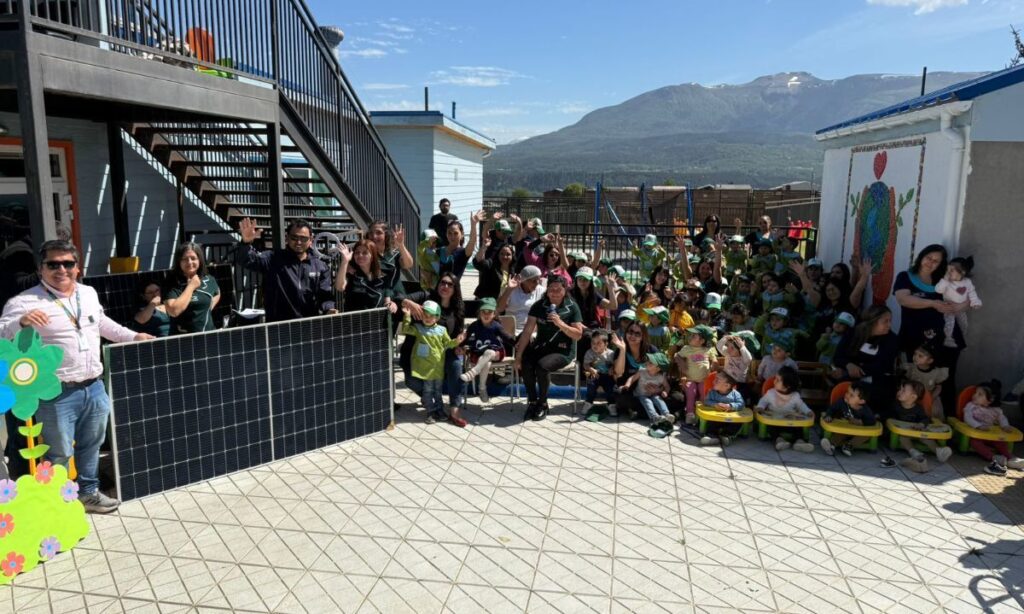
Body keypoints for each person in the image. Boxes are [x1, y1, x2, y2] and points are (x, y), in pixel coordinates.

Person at [0, 240, 154, 513]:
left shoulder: (88, 294)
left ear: (77, 267)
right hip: (56, 393)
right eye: (53, 264)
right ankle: (59, 504)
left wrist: (133, 336)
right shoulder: (24, 301)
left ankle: (88, 492)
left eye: (67, 263)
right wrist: (20, 322)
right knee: (58, 453)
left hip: (94, 386)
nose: (61, 269)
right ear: (40, 269)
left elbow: (103, 324)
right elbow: (3, 335)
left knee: (92, 444)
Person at [893, 244, 968, 412]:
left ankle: (947, 423)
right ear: (921, 256)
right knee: (912, 380)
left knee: (945, 382)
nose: (931, 263)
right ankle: (906, 417)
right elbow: (903, 299)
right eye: (929, 258)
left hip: (945, 341)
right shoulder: (905, 277)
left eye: (936, 261)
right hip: (914, 339)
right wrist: (933, 303)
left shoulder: (943, 281)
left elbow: (964, 299)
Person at [235, 218, 335, 322]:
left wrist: (329, 309)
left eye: (304, 238)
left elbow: (325, 294)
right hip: (278, 327)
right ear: (287, 238)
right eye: (294, 237)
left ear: (311, 240)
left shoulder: (320, 266)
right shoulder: (273, 259)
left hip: (309, 325)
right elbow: (246, 260)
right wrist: (245, 243)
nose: (299, 242)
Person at [515, 275, 583, 421]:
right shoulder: (539, 305)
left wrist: (560, 323)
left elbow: (578, 335)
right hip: (542, 346)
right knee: (526, 362)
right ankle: (532, 402)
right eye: (551, 289)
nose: (555, 292)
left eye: (559, 289)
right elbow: (527, 331)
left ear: (565, 290)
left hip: (562, 350)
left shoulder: (572, 306)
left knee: (542, 367)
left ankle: (543, 403)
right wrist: (519, 355)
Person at [399, 273, 467, 420]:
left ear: (455, 289)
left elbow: (456, 335)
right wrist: (409, 304)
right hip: (414, 351)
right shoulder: (425, 296)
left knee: (455, 364)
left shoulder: (457, 308)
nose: (445, 286)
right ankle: (431, 401)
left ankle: (454, 407)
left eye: (450, 284)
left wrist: (459, 345)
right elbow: (398, 297)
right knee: (411, 381)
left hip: (440, 352)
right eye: (443, 282)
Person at [832, 305, 900, 415]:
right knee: (842, 388)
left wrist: (859, 370)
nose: (889, 325)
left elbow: (883, 365)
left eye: (890, 321)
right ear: (872, 322)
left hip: (878, 380)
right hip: (850, 377)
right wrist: (848, 365)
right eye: (885, 321)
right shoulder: (853, 333)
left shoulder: (891, 340)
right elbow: (838, 357)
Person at [888, 379, 952, 473]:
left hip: (917, 432)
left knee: (926, 437)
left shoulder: (918, 408)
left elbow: (925, 419)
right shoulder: (896, 405)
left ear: (913, 397)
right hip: (904, 433)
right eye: (900, 389)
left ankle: (939, 451)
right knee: (902, 438)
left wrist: (921, 424)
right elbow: (889, 416)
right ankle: (914, 452)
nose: (899, 392)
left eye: (903, 390)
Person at [459, 297, 514, 404]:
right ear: (479, 313)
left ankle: (472, 373)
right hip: (479, 353)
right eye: (484, 311)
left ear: (494, 314)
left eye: (490, 312)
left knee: (489, 352)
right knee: (486, 363)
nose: (486, 314)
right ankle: (482, 389)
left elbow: (507, 337)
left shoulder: (496, 326)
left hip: (496, 352)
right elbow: (466, 339)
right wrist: (460, 347)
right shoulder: (474, 326)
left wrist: (517, 344)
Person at [962, 385, 1024, 475]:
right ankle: (993, 457)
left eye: (980, 394)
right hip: (978, 434)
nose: (975, 395)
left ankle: (1010, 458)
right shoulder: (971, 406)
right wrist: (978, 426)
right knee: (974, 443)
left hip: (991, 434)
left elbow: (1002, 418)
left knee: (1001, 442)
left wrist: (1005, 426)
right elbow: (967, 417)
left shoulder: (996, 410)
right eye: (975, 393)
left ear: (990, 400)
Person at [164, 243, 220, 334]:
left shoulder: (208, 279)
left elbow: (217, 293)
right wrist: (191, 286)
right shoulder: (171, 282)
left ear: (199, 260)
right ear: (179, 262)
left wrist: (207, 308)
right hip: (183, 340)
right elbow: (173, 311)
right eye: (185, 259)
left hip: (209, 336)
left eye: (193, 258)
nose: (190, 262)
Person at [335, 239, 402, 315]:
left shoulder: (383, 276)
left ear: (372, 256)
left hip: (375, 322)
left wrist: (391, 304)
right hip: (353, 322)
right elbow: (339, 287)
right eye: (357, 252)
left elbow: (387, 299)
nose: (360, 255)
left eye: (365, 253)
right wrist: (345, 261)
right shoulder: (351, 273)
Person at [755, 367, 814, 453]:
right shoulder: (771, 393)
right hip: (774, 419)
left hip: (789, 420)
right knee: (771, 427)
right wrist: (760, 407)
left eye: (778, 380)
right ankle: (779, 441)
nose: (774, 381)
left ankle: (799, 442)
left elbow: (801, 405)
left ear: (787, 386)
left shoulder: (795, 396)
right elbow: (763, 401)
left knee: (798, 428)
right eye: (775, 378)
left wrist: (808, 411)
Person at [672, 324, 717, 425]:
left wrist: (714, 363)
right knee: (691, 393)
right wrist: (681, 363)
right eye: (691, 335)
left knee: (704, 395)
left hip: (704, 379)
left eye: (694, 336)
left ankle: (701, 414)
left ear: (702, 341)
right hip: (690, 378)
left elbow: (714, 359)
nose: (690, 337)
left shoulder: (708, 349)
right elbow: (677, 356)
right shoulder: (686, 348)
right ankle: (690, 414)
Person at [820, 381, 877, 457]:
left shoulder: (865, 410)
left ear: (861, 401)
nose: (847, 395)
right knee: (840, 432)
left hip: (858, 431)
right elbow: (832, 408)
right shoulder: (842, 402)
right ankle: (831, 445)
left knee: (866, 435)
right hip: (845, 428)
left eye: (852, 395)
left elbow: (872, 421)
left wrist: (861, 422)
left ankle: (849, 446)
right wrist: (829, 415)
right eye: (847, 392)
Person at [935, 256, 981, 348]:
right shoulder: (946, 282)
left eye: (952, 270)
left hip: (961, 308)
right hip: (948, 307)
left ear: (962, 272)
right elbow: (938, 290)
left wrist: (976, 302)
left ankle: (961, 339)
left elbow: (972, 292)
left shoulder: (967, 282)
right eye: (947, 269)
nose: (948, 272)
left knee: (964, 324)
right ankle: (948, 339)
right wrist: (944, 280)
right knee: (949, 323)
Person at [623, 352, 674, 430]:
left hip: (653, 394)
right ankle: (655, 417)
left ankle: (666, 414)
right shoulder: (642, 371)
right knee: (647, 401)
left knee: (658, 399)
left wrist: (665, 392)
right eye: (648, 361)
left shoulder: (661, 377)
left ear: (658, 368)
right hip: (640, 395)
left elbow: (667, 386)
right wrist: (627, 385)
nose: (647, 363)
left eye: (651, 363)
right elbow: (632, 378)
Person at [900, 343, 949, 419]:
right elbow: (904, 383)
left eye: (920, 356)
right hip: (912, 397)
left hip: (929, 397)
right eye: (915, 354)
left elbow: (938, 387)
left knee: (931, 413)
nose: (915, 357)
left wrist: (931, 398)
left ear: (930, 360)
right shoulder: (911, 369)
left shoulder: (936, 373)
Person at [699, 372, 746, 447]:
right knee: (712, 421)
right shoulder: (712, 392)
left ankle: (727, 435)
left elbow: (741, 404)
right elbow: (706, 401)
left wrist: (731, 406)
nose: (713, 381)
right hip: (717, 418)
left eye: (717, 380)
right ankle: (712, 436)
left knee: (739, 421)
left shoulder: (735, 394)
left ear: (727, 385)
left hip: (731, 419)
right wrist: (714, 405)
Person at [496, 265, 545, 334]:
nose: (537, 283)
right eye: (534, 281)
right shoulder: (511, 289)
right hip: (511, 328)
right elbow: (499, 308)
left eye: (538, 280)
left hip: (531, 329)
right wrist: (509, 289)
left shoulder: (541, 291)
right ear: (524, 280)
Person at [437, 212, 483, 279]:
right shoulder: (439, 251)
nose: (452, 236)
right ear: (446, 234)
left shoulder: (463, 253)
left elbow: (472, 241)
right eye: (449, 233)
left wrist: (473, 224)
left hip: (454, 288)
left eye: (455, 233)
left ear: (462, 235)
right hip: (437, 288)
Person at [582, 330, 617, 413]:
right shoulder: (589, 353)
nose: (595, 345)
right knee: (591, 385)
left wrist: (612, 368)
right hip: (595, 374)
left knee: (610, 388)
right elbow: (585, 365)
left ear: (606, 344)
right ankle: (588, 402)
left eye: (598, 343)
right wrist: (591, 369)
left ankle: (611, 404)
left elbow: (615, 364)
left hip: (607, 375)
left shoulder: (611, 354)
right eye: (593, 343)